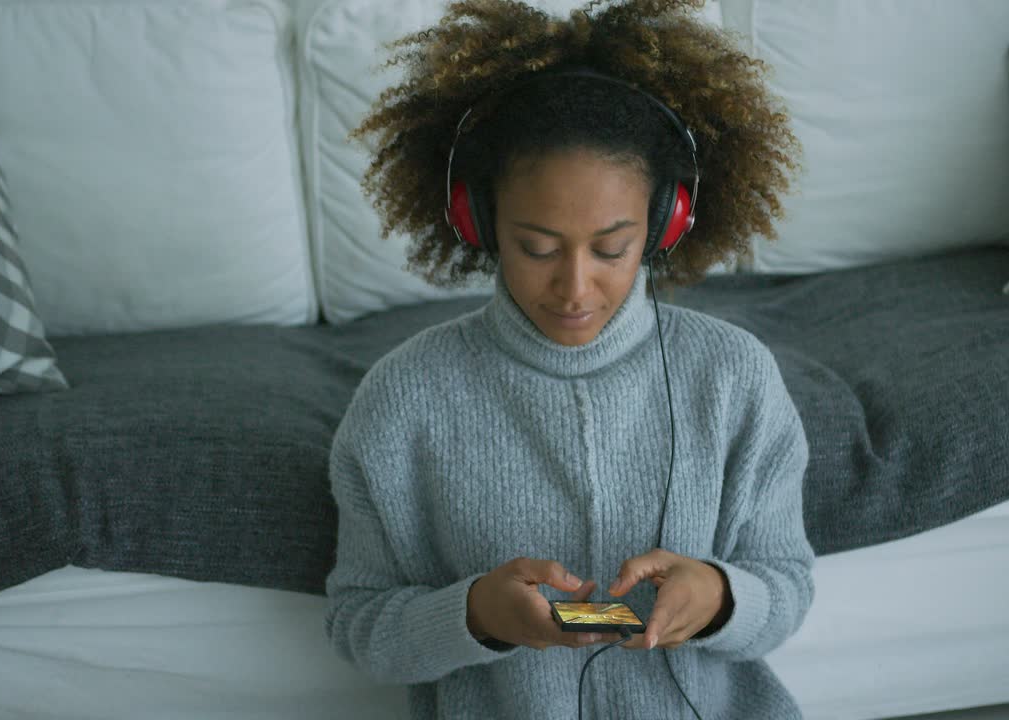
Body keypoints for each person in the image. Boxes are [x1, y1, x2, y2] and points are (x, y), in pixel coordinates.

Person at [325, 1, 812, 717]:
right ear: (477, 220)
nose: (576, 288)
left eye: (612, 249)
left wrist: (719, 597)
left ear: (667, 222)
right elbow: (358, 627)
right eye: (538, 248)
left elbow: (788, 586)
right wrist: (475, 615)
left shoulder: (733, 377)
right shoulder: (403, 398)